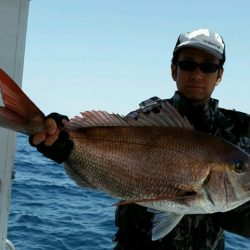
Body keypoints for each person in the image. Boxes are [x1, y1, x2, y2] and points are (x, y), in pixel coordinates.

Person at [30, 28, 250, 250]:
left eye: (208, 66)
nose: (197, 74)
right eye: (187, 64)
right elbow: (104, 162)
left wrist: (223, 202)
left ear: (219, 74)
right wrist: (65, 143)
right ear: (174, 70)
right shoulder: (147, 118)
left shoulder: (242, 130)